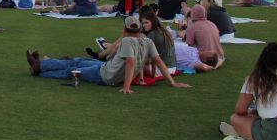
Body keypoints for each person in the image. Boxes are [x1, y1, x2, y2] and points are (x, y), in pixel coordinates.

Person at [27, 15, 191, 94]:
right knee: (76, 61)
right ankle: (40, 65)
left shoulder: (128, 42)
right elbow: (159, 62)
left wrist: (126, 87)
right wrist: (173, 82)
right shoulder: (146, 42)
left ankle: (39, 68)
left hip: (106, 75)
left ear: (126, 29)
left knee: (72, 71)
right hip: (107, 68)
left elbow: (131, 63)